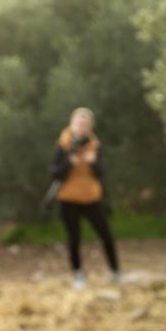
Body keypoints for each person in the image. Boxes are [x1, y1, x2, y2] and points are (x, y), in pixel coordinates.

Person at [50, 107, 120, 290]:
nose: (82, 126)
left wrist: (94, 162)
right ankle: (78, 275)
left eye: (85, 124)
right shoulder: (62, 145)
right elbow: (54, 173)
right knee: (74, 238)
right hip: (69, 198)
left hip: (91, 197)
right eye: (79, 123)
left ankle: (115, 271)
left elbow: (103, 172)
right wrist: (68, 163)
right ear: (72, 124)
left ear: (90, 127)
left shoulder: (95, 146)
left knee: (106, 234)